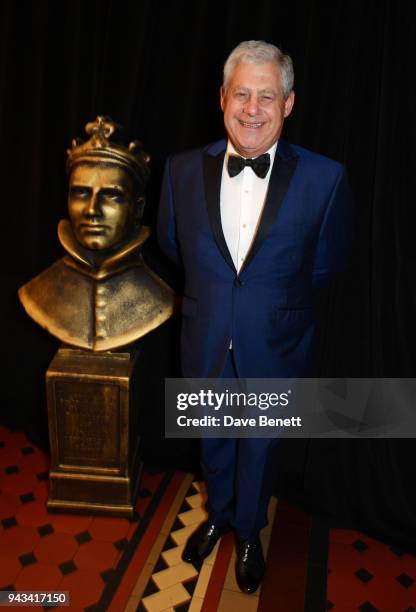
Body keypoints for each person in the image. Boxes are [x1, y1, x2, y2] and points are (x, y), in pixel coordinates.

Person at [157, 40, 354, 593]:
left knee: (262, 445)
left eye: (266, 96)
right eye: (241, 93)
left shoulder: (327, 179)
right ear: (222, 98)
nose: (252, 108)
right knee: (213, 438)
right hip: (205, 335)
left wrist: (267, 305)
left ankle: (249, 529)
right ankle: (218, 513)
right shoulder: (178, 171)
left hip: (278, 341)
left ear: (288, 104)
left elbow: (327, 263)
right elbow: (176, 247)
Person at [19, 116, 174, 351]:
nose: (92, 210)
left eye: (111, 195)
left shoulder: (162, 300)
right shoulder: (35, 295)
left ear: (138, 208)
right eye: (81, 193)